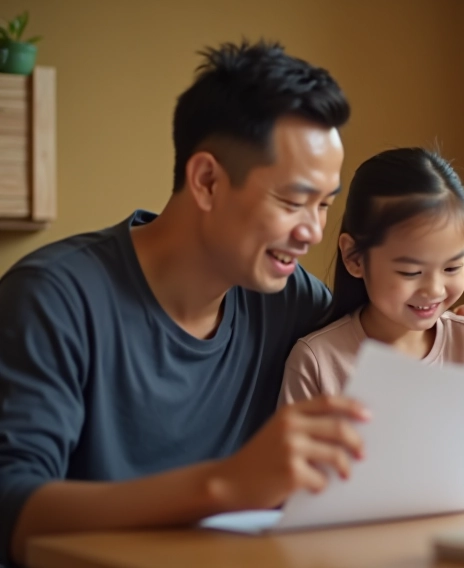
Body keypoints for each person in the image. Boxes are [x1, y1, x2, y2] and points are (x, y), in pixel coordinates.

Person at [0, 40, 368, 567]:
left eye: (325, 204)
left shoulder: (291, 299)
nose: (313, 232)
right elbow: (12, 511)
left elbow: (382, 362)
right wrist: (224, 484)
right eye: (292, 201)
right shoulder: (53, 297)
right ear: (207, 180)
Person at [280, 147, 464, 484]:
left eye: (452, 267)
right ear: (355, 257)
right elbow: (293, 481)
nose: (434, 290)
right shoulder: (317, 361)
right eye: (410, 272)